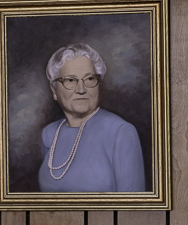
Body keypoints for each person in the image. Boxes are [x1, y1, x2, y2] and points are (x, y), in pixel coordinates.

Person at [37, 43, 146, 193]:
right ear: (54, 89)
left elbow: (134, 207)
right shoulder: (49, 134)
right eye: (70, 80)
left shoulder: (121, 132)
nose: (81, 89)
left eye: (89, 79)